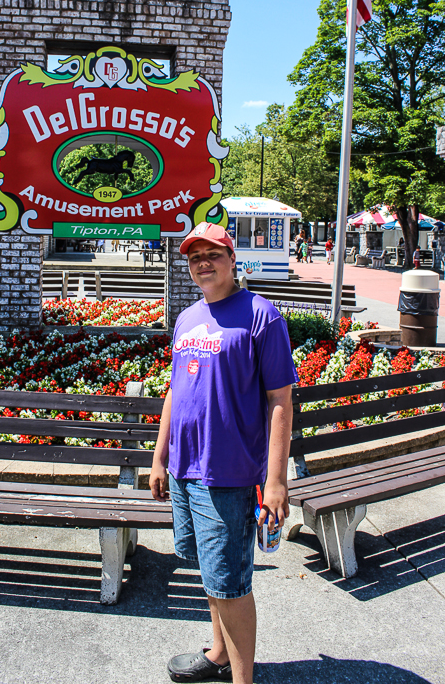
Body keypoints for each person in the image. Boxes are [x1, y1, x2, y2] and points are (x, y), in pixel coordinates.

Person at [150, 222, 297, 684]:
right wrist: (159, 457)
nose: (204, 264)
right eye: (195, 258)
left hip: (229, 474)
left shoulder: (261, 315)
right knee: (212, 574)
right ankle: (217, 653)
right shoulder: (187, 317)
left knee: (231, 585)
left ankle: (242, 679)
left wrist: (275, 481)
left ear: (233, 260)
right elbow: (175, 390)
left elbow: (280, 400)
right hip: (184, 469)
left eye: (213, 254)